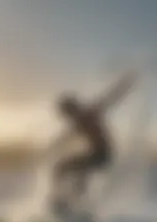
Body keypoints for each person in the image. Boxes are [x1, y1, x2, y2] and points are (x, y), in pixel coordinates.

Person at [52, 70, 139, 204]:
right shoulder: (77, 124)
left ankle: (77, 200)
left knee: (81, 170)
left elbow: (111, 98)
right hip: (94, 154)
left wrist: (126, 84)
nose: (69, 117)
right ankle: (62, 197)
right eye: (67, 115)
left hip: (104, 155)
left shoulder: (91, 112)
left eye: (68, 113)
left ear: (74, 108)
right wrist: (53, 147)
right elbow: (65, 138)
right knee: (60, 168)